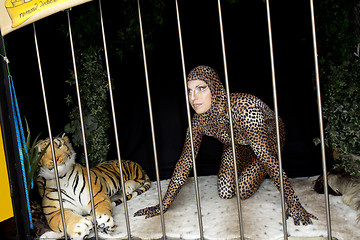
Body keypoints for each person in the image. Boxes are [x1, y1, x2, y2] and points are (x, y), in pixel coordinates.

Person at [134, 65, 317, 225]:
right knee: (225, 191)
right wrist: (164, 204)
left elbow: (269, 160)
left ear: (215, 89)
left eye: (201, 88)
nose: (193, 97)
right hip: (237, 143)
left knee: (243, 190)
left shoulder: (245, 112)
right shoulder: (199, 121)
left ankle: (254, 165)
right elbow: (185, 161)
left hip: (269, 140)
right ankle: (247, 160)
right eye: (189, 91)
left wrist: (294, 204)